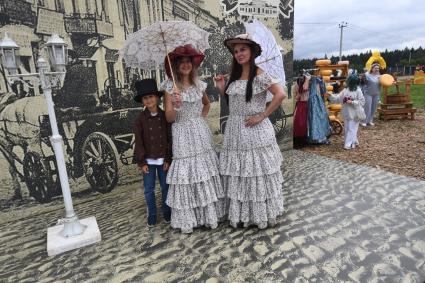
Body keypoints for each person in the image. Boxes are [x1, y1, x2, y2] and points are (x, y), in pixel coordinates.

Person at [214, 34, 286, 229]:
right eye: (236, 51)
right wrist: (221, 89)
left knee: (256, 173)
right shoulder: (233, 78)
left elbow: (281, 94)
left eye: (243, 50)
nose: (239, 54)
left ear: (252, 51)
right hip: (235, 130)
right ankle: (243, 215)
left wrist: (262, 115)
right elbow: (234, 104)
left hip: (255, 131)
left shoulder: (261, 74)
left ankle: (260, 214)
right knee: (240, 173)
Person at [161, 44, 225, 234]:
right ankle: (190, 218)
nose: (186, 65)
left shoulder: (199, 85)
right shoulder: (169, 87)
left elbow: (206, 104)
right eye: (182, 62)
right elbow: (169, 118)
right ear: (176, 65)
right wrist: (174, 103)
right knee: (186, 174)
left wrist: (200, 118)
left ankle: (209, 215)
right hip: (181, 132)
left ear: (193, 65)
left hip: (199, 131)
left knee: (204, 169)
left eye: (189, 61)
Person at [133, 79, 172, 227]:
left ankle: (167, 211)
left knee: (165, 187)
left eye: (151, 97)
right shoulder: (140, 120)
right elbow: (139, 142)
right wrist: (142, 162)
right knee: (149, 189)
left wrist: (168, 158)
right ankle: (152, 214)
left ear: (156, 98)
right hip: (148, 161)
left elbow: (169, 138)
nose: (148, 100)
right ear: (142, 101)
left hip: (163, 160)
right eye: (145, 98)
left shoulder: (165, 117)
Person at [329, 74, 366, 150]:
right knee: (347, 128)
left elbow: (362, 102)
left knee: (351, 129)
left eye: (348, 80)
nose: (347, 82)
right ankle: (354, 142)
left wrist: (352, 102)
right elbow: (337, 98)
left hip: (355, 113)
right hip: (346, 113)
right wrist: (330, 96)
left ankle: (348, 144)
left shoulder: (358, 90)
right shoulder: (345, 90)